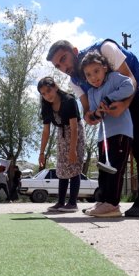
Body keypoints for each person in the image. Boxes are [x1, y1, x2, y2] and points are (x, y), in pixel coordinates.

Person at [47, 39, 139, 218]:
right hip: (121, 100)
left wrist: (124, 105)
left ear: (75, 51)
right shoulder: (75, 81)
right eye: (58, 66)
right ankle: (106, 200)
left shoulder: (105, 49)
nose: (63, 67)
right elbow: (87, 110)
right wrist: (91, 116)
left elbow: (131, 81)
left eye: (63, 59)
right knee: (111, 150)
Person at [78, 52, 135, 217]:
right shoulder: (90, 93)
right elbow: (95, 113)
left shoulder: (114, 78)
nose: (93, 77)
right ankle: (103, 201)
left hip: (121, 132)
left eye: (96, 71)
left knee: (115, 168)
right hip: (103, 136)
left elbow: (129, 86)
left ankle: (112, 204)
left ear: (104, 68)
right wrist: (95, 114)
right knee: (103, 169)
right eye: (88, 75)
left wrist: (109, 99)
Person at [37, 76, 84, 213]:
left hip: (76, 133)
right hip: (61, 133)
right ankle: (60, 202)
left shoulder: (69, 100)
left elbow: (74, 128)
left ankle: (73, 203)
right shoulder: (46, 106)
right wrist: (41, 153)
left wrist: (73, 149)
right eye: (43, 94)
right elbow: (46, 131)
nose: (47, 95)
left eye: (49, 91)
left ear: (55, 87)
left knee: (74, 165)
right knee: (62, 167)